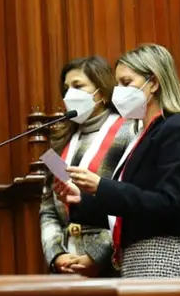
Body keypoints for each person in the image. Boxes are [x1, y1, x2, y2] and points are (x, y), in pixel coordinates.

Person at [59, 44, 180, 278]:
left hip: (168, 259)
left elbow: (171, 203)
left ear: (154, 83)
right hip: (141, 259)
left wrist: (101, 186)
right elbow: (133, 207)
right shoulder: (143, 134)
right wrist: (83, 199)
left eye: (126, 82)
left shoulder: (177, 128)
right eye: (117, 84)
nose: (118, 91)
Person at [40, 56, 137, 276]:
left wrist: (95, 255)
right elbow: (48, 209)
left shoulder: (129, 132)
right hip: (66, 262)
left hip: (112, 262)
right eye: (66, 89)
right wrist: (57, 255)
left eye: (78, 86)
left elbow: (129, 201)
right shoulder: (59, 142)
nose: (69, 95)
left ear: (102, 93)